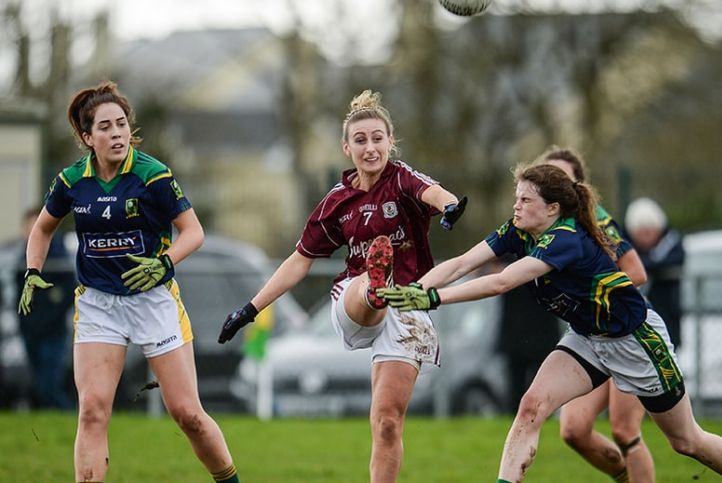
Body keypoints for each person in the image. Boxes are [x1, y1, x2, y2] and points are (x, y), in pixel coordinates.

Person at [378, 163, 722, 483]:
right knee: (532, 406)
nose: (516, 206)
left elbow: (501, 282)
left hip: (635, 340)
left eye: (525, 199)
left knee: (687, 441)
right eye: (516, 198)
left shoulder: (566, 239)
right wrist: (411, 290)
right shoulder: (519, 231)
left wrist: (432, 299)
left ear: (552, 209)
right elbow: (465, 262)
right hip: (588, 338)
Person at [217, 89, 467, 483]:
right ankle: (374, 287)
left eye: (378, 138)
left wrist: (449, 207)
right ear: (346, 148)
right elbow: (299, 260)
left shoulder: (402, 180)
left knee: (386, 423)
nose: (371, 148)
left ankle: (380, 288)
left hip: (408, 305)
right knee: (368, 282)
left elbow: (434, 194)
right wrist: (251, 308)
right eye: (361, 140)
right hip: (353, 301)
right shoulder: (336, 202)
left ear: (391, 142)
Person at [18, 81, 241, 483]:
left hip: (153, 300)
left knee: (187, 413)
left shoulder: (152, 174)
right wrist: (33, 270)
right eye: (105, 127)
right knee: (92, 411)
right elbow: (41, 229)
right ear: (88, 138)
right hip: (99, 305)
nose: (117, 133)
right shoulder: (72, 181)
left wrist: (163, 264)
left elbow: (193, 232)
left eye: (121, 124)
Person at [539, 147, 654, 483]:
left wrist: (592, 294)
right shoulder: (542, 223)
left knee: (624, 430)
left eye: (561, 177)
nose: (553, 183)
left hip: (626, 331)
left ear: (578, 185)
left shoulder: (596, 218)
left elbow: (637, 271)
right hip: (591, 336)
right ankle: (626, 477)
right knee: (573, 429)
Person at [16, 207, 76, 410]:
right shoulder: (20, 259)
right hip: (30, 331)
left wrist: (50, 316)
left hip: (53, 332)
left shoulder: (59, 257)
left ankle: (68, 417)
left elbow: (68, 292)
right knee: (39, 383)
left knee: (48, 385)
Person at [494, 256, 562, 414]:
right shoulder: (510, 245)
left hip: (542, 331)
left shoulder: (549, 250)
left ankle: (543, 413)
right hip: (516, 332)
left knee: (542, 382)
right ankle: (515, 415)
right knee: (515, 383)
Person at [625, 197, 685, 348]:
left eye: (649, 232)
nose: (646, 238)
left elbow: (675, 260)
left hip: (667, 316)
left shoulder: (671, 241)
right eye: (641, 232)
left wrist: (645, 266)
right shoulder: (623, 244)